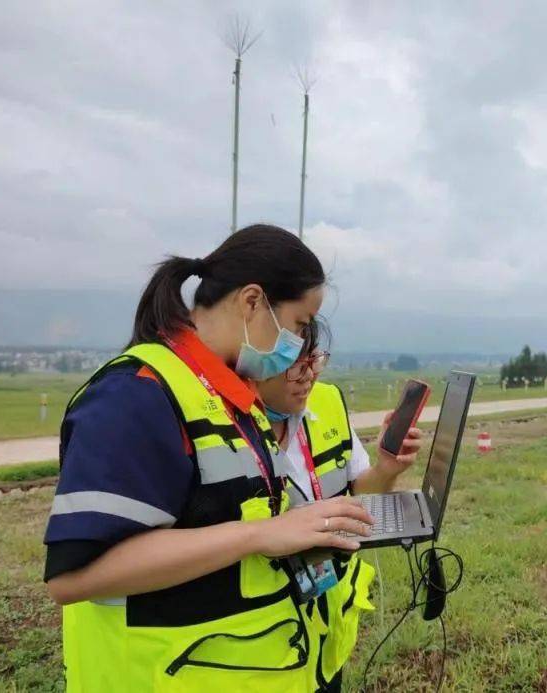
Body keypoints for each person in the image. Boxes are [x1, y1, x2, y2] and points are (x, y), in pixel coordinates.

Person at [43, 224, 374, 692]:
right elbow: (75, 576)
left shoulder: (230, 398)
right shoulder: (138, 394)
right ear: (253, 301)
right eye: (299, 325)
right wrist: (261, 534)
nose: (301, 345)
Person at [256, 327, 423, 691]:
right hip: (262, 645)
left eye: (315, 361)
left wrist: (386, 469)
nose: (309, 376)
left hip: (325, 630)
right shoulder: (228, 420)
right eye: (295, 365)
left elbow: (357, 492)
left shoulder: (327, 400)